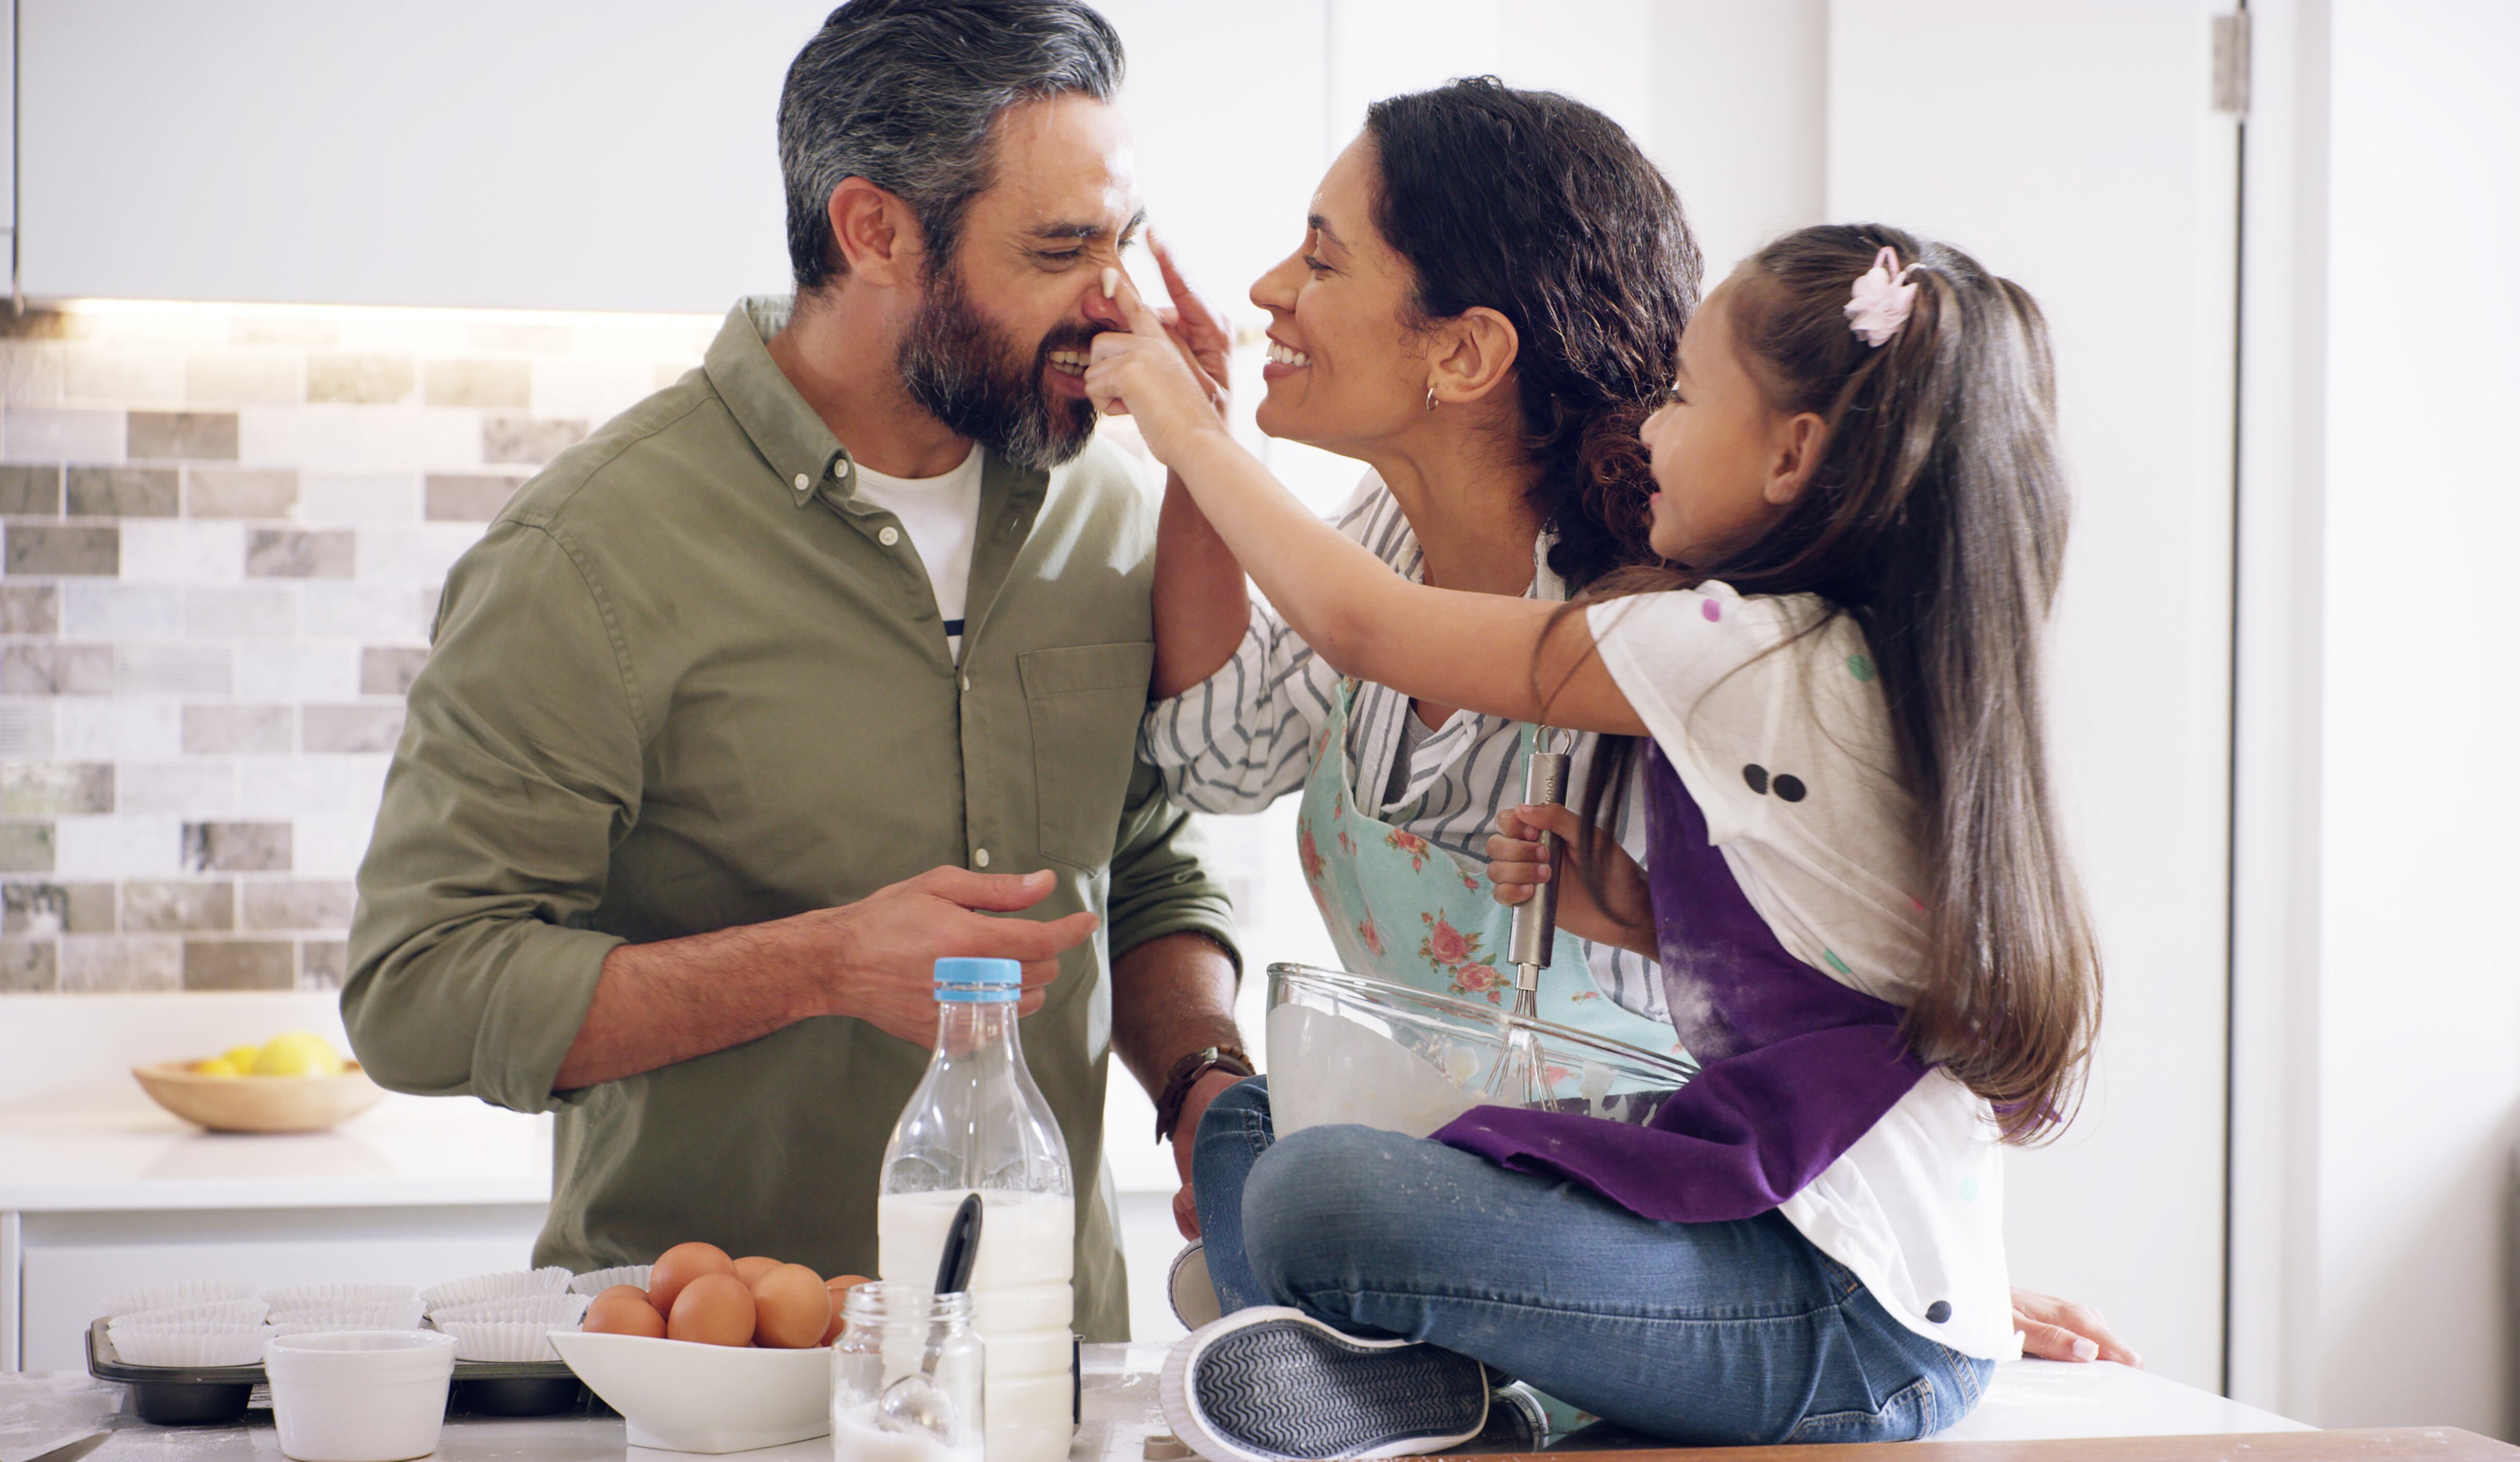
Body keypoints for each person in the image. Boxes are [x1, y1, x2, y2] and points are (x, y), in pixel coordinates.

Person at [1150, 75, 2138, 1397]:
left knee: (1307, 1191)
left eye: (1682, 395)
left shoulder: (1705, 638)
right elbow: (1818, 980)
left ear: (1465, 351)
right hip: (1635, 1220)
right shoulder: (1738, 645)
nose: (1651, 422)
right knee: (1263, 1127)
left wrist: (1178, 422)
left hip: (1765, 1259)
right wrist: (1641, 915)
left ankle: (1368, 1359)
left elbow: (1365, 629)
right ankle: (1394, 1368)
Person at [339, 0, 1248, 1346]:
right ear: (873, 230)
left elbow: (1143, 854)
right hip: (721, 1379)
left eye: (1125, 240)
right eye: (1062, 251)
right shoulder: (586, 552)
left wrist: (1203, 1079)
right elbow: (414, 988)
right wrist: (821, 964)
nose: (1117, 301)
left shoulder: (1112, 511)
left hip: (1050, 1366)